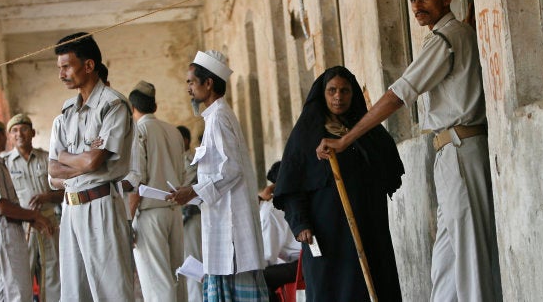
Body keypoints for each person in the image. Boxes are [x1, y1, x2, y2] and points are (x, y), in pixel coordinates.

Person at [316, 0, 502, 301]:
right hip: (450, 152)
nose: (416, 6)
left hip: (461, 149)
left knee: (469, 258)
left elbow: (398, 94)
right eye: (412, 0)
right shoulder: (456, 34)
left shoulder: (445, 39)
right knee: (447, 262)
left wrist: (347, 138)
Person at [274, 66, 404, 301]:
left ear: (353, 94)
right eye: (332, 90)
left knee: (372, 286)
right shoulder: (306, 134)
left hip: (368, 226)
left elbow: (388, 163)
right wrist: (300, 223)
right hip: (326, 232)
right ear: (322, 94)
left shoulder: (365, 130)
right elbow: (291, 184)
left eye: (345, 91)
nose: (338, 96)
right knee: (333, 291)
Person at [167, 50, 268, 301]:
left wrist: (194, 191)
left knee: (235, 286)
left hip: (231, 222)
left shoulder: (220, 117)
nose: (188, 88)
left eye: (191, 82)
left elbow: (231, 169)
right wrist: (193, 193)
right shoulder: (214, 116)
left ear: (208, 83)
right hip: (222, 215)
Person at [48, 32, 135, 300]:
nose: (62, 73)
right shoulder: (67, 112)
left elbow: (93, 161)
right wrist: (80, 162)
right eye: (59, 68)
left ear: (88, 65)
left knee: (111, 292)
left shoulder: (113, 105)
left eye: (67, 66)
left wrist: (68, 157)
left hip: (100, 205)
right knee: (74, 293)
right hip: (70, 209)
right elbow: (52, 168)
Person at [0, 118, 54, 302]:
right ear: (1, 135)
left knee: (5, 290)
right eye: (10, 132)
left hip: (10, 227)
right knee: (19, 291)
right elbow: (3, 206)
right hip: (5, 229)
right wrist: (34, 215)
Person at [126, 80, 187, 302]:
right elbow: (183, 174)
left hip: (150, 215)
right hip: (174, 212)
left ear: (132, 108)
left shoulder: (138, 131)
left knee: (157, 283)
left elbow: (136, 182)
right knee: (177, 278)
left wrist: (127, 221)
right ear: (155, 106)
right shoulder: (174, 132)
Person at [3, 113, 63, 302]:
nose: (19, 134)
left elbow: (65, 192)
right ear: (9, 136)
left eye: (24, 129)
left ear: (33, 132)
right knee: (23, 275)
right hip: (22, 227)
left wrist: (47, 196)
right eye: (14, 130)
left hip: (49, 223)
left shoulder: (47, 159)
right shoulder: (4, 164)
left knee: (54, 273)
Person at [258, 161, 302, 302]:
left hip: (302, 264)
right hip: (305, 260)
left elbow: (268, 257)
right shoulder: (302, 197)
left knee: (259, 278)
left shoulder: (270, 210)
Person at [177, 125, 203, 302]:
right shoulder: (181, 159)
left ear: (185, 141)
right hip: (185, 218)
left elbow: (182, 184)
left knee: (193, 262)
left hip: (192, 217)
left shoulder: (189, 160)